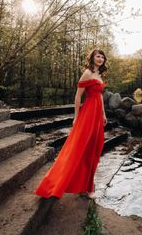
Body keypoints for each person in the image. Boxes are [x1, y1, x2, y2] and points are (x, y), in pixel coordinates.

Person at [34, 49, 108, 200]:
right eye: (97, 56)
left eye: (102, 57)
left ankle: (88, 187)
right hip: (87, 114)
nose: (100, 58)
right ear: (92, 58)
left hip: (97, 115)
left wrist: (104, 114)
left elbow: (99, 97)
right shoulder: (87, 73)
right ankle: (56, 184)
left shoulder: (100, 75)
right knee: (79, 148)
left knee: (94, 149)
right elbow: (78, 95)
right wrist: (76, 116)